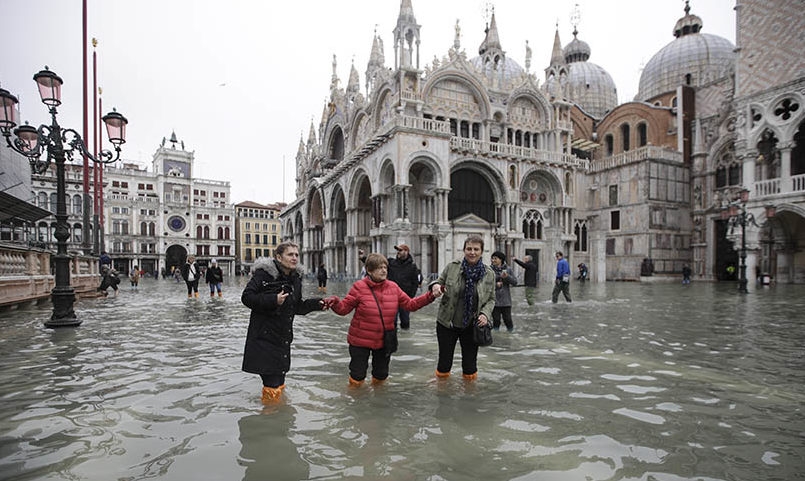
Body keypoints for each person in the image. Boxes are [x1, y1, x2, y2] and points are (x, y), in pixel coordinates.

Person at [325, 253, 438, 387]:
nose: (384, 270)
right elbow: (344, 309)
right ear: (369, 270)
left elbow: (410, 305)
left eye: (385, 267)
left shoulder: (393, 287)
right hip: (360, 340)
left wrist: (430, 296)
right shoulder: (359, 287)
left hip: (384, 340)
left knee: (381, 376)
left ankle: (378, 398)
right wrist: (335, 302)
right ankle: (356, 398)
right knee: (357, 376)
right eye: (379, 268)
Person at [241, 242, 328, 404]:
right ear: (279, 257)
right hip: (263, 339)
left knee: (279, 384)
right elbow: (246, 297)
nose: (294, 258)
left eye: (296, 255)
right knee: (272, 386)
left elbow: (297, 306)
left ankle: (278, 416)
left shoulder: (295, 278)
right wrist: (273, 300)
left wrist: (318, 304)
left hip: (282, 340)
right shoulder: (263, 275)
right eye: (290, 254)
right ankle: (271, 416)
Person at [429, 235, 495, 381]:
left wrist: (485, 314)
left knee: (470, 366)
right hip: (447, 323)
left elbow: (491, 299)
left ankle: (469, 392)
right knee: (444, 363)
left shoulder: (489, 274)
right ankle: (442, 390)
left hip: (471, 325)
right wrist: (435, 286)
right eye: (469, 249)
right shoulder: (452, 267)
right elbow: (438, 281)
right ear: (464, 250)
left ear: (481, 251)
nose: (472, 252)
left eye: (476, 249)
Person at [490, 251, 518, 332]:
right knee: (496, 321)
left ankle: (510, 334)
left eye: (495, 258)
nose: (493, 260)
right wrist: (496, 284)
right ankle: (496, 336)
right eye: (492, 258)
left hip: (506, 301)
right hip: (494, 300)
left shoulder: (508, 269)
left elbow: (515, 282)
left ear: (501, 259)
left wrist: (507, 277)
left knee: (508, 320)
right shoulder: (489, 270)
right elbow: (486, 284)